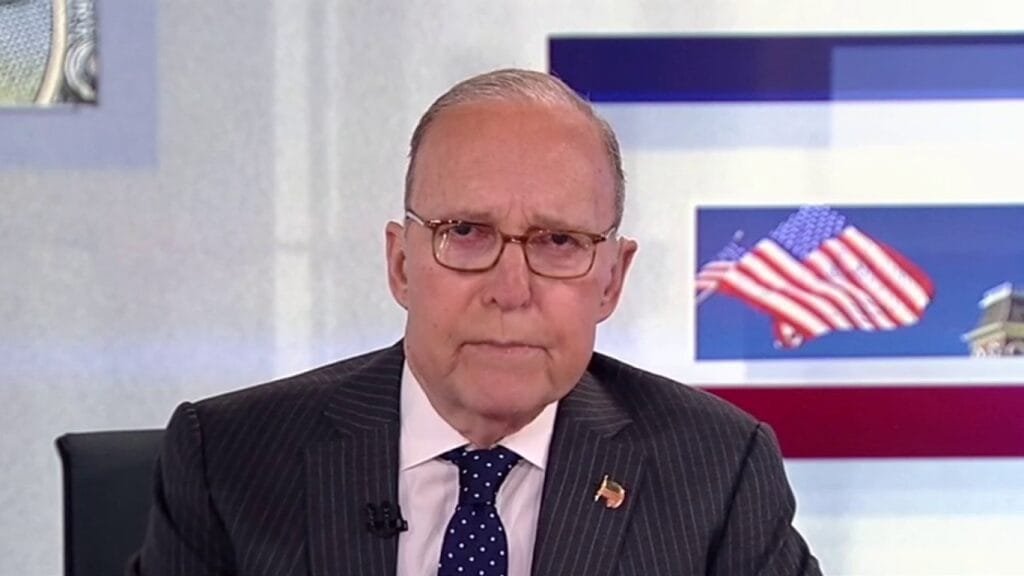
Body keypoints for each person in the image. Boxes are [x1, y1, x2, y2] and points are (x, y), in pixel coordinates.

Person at [131, 68, 821, 576]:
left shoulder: (716, 473)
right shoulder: (229, 461)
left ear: (611, 280)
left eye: (559, 242)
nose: (510, 290)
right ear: (401, 264)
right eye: (465, 232)